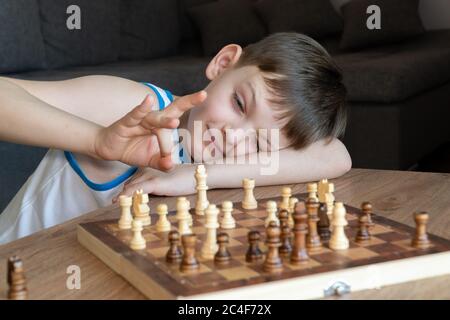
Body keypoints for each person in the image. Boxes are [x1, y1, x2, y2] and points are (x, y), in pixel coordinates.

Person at [0, 32, 352, 244]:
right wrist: (98, 141)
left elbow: (334, 155)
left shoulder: (220, 164)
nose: (233, 138)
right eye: (239, 103)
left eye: (260, 144)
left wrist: (197, 175)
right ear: (224, 62)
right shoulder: (135, 108)